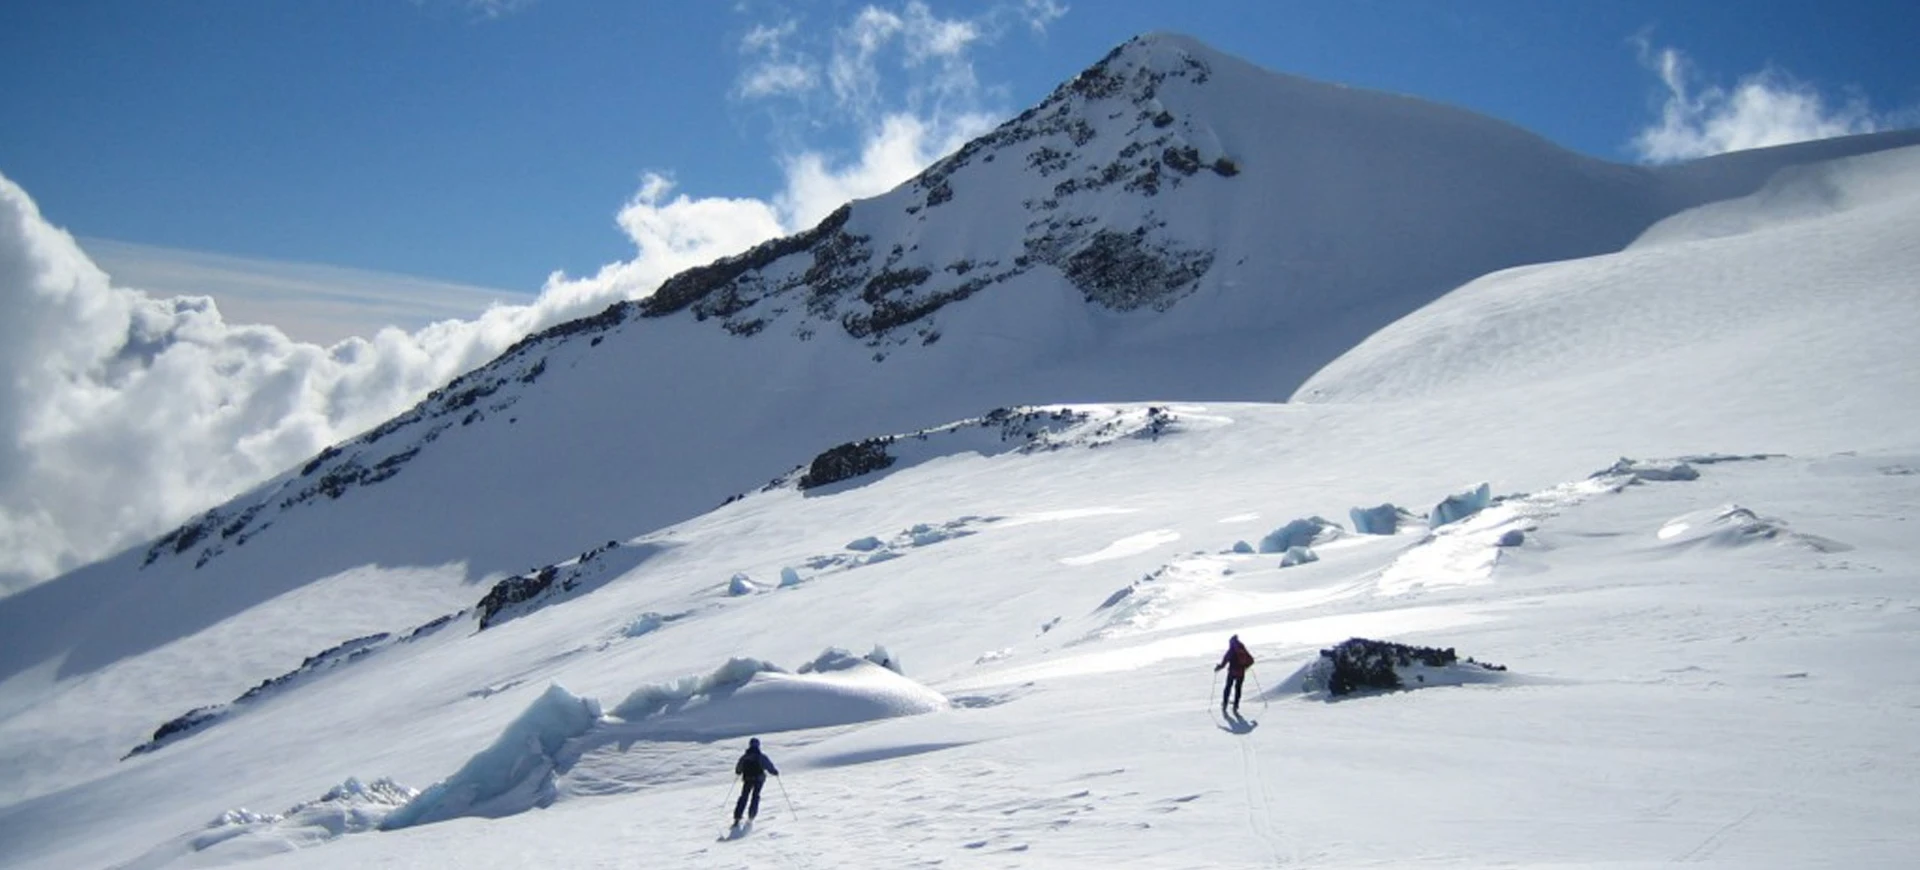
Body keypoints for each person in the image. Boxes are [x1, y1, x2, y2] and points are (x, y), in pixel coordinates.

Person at [732, 737, 779, 824]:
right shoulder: (761, 756)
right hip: (759, 779)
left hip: (747, 779)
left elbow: (738, 768)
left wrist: (738, 772)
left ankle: (737, 817)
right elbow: (769, 766)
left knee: (744, 796)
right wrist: (774, 772)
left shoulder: (745, 757)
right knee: (755, 796)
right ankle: (751, 817)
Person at [1214, 635, 1255, 713]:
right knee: (1238, 688)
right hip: (1241, 673)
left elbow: (1224, 662)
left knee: (1228, 687)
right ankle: (1236, 705)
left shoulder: (1231, 650)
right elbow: (1251, 660)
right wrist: (1245, 667)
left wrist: (1218, 668)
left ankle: (1225, 703)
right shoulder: (1243, 649)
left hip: (1232, 672)